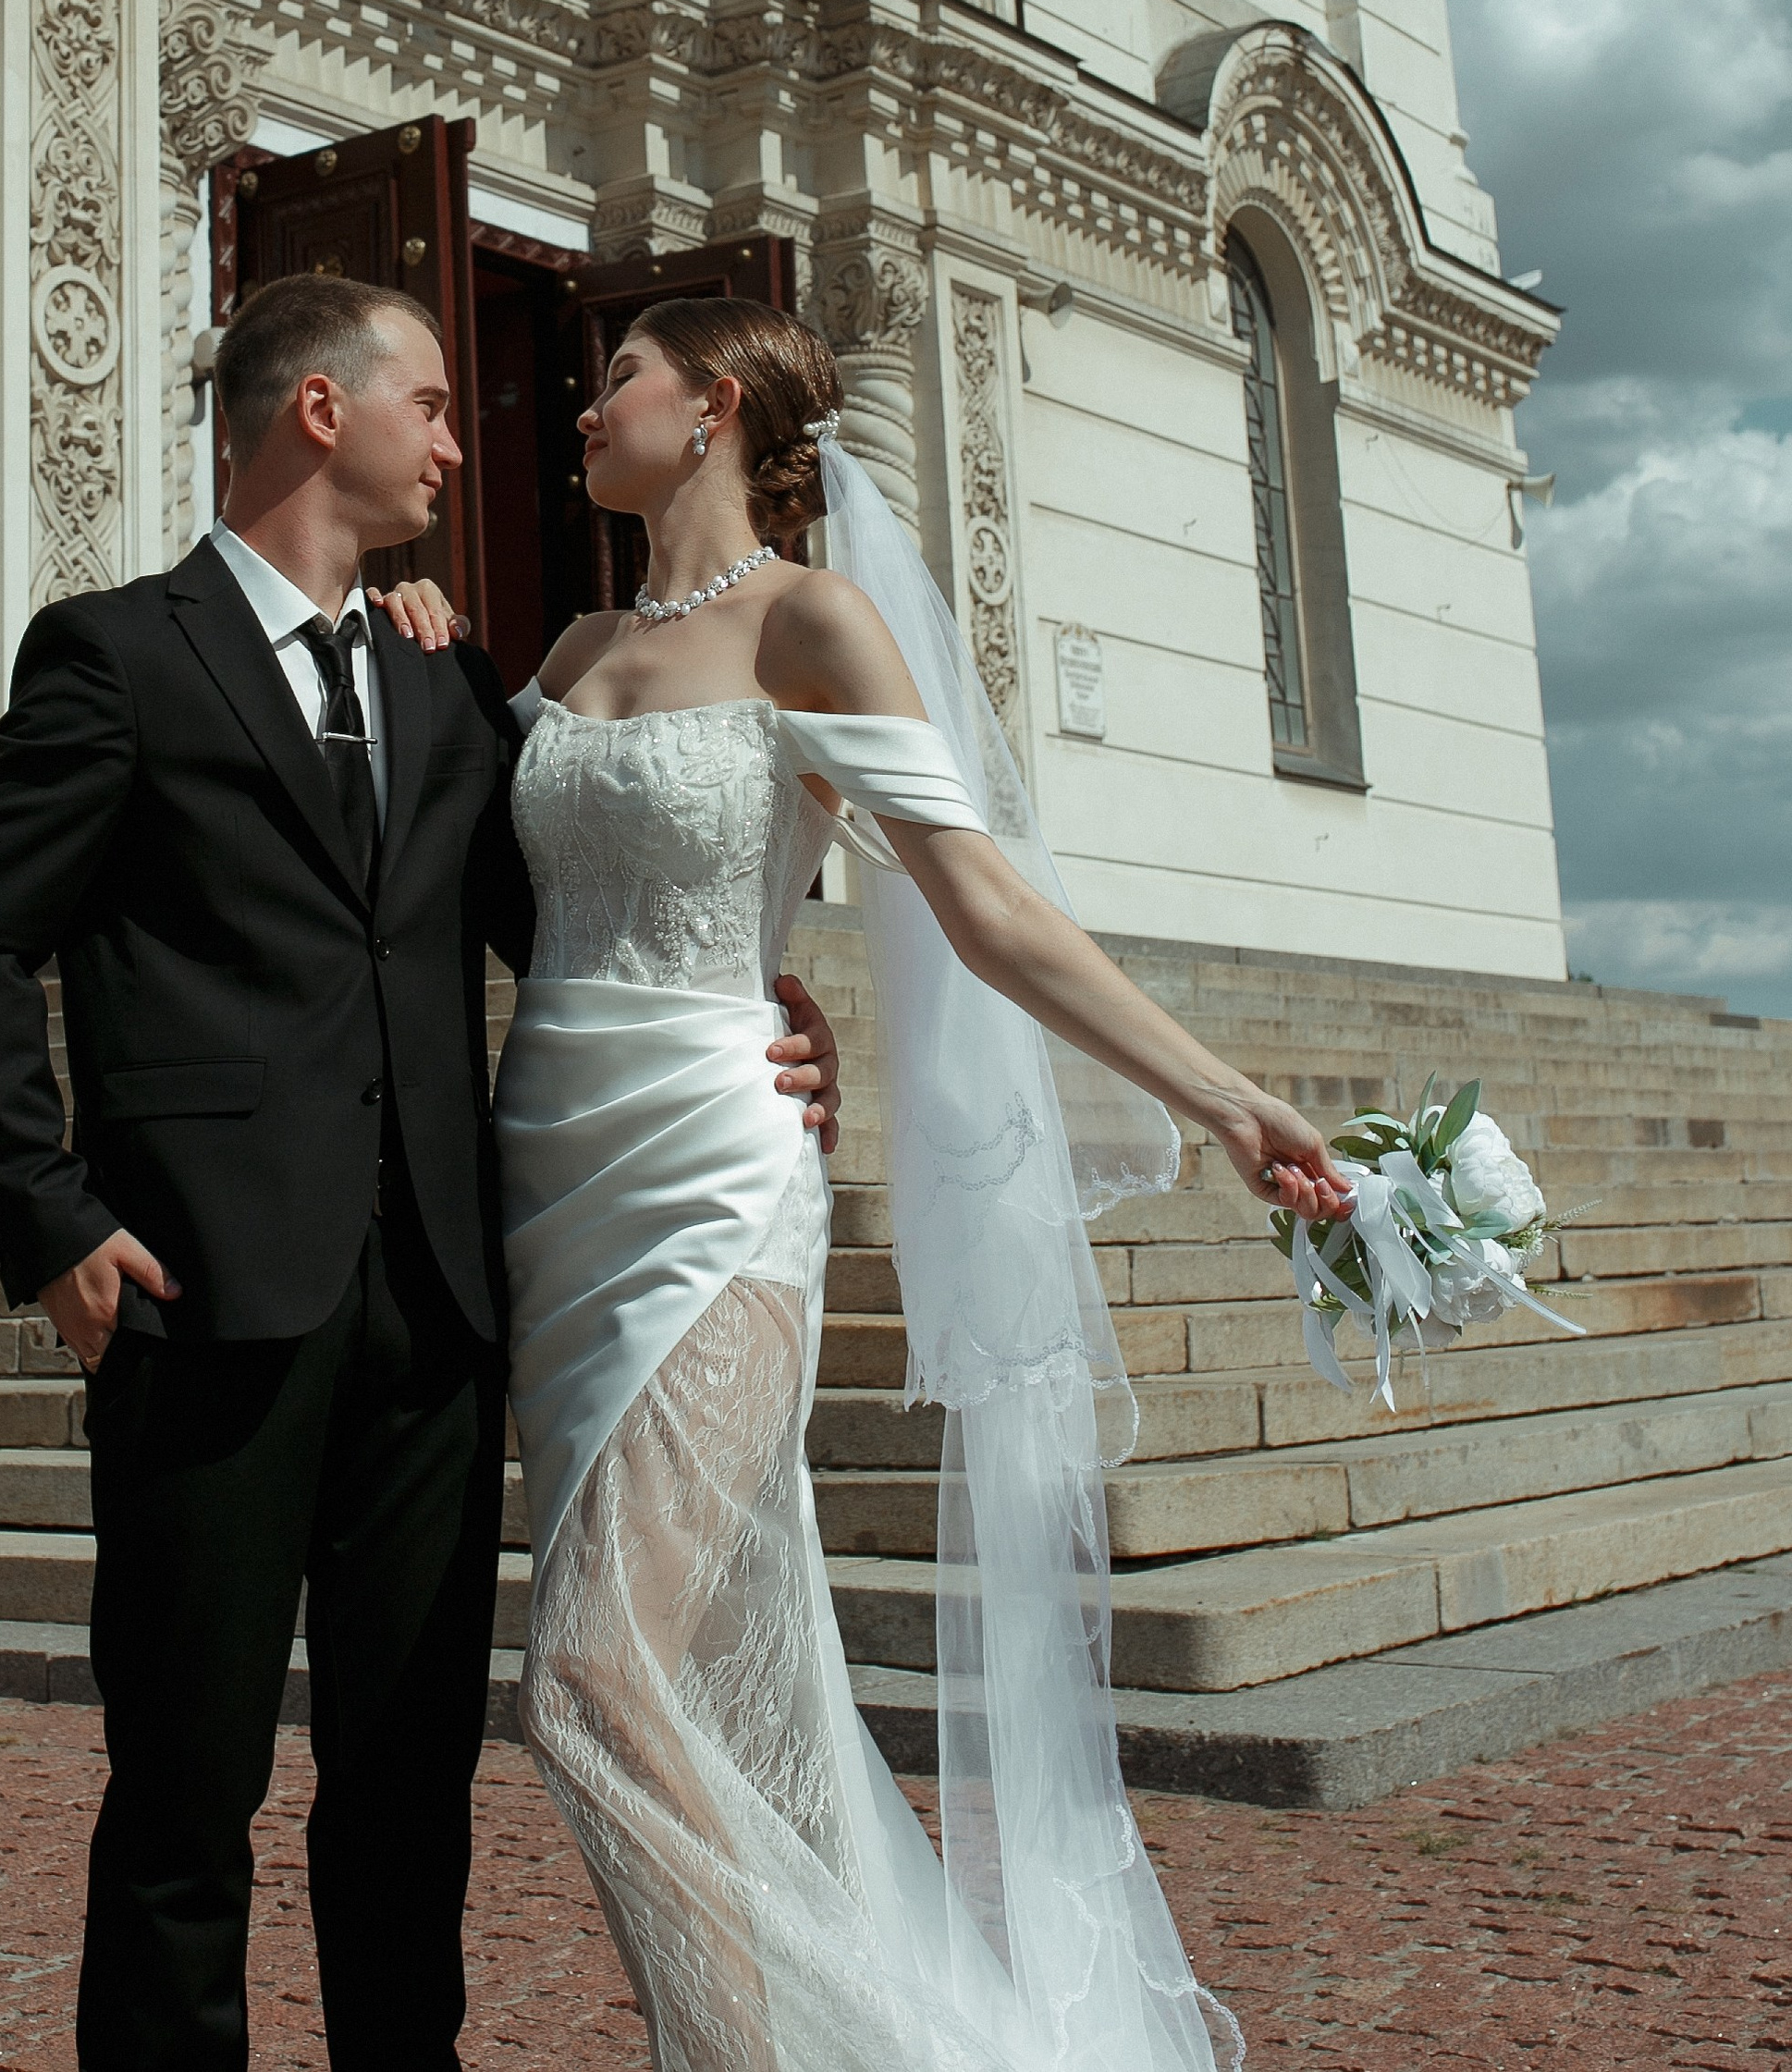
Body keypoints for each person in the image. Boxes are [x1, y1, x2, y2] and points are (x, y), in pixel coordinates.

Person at [0, 271, 841, 2072]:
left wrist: (766, 987)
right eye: (427, 396)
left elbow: (575, 920)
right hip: (204, 1306)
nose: (458, 431)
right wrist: (50, 1219)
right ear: (321, 411)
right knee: (183, 1806)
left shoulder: (441, 682)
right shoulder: (112, 653)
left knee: (406, 1803)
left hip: (432, 1318)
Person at [479, 293, 1352, 2071]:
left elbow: (988, 900)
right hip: (547, 1195)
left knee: (584, 1674)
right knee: (692, 1692)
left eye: (616, 379)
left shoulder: (814, 620)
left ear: (710, 405)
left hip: (717, 1185)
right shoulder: (562, 653)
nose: (583, 409)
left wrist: (1224, 1095)